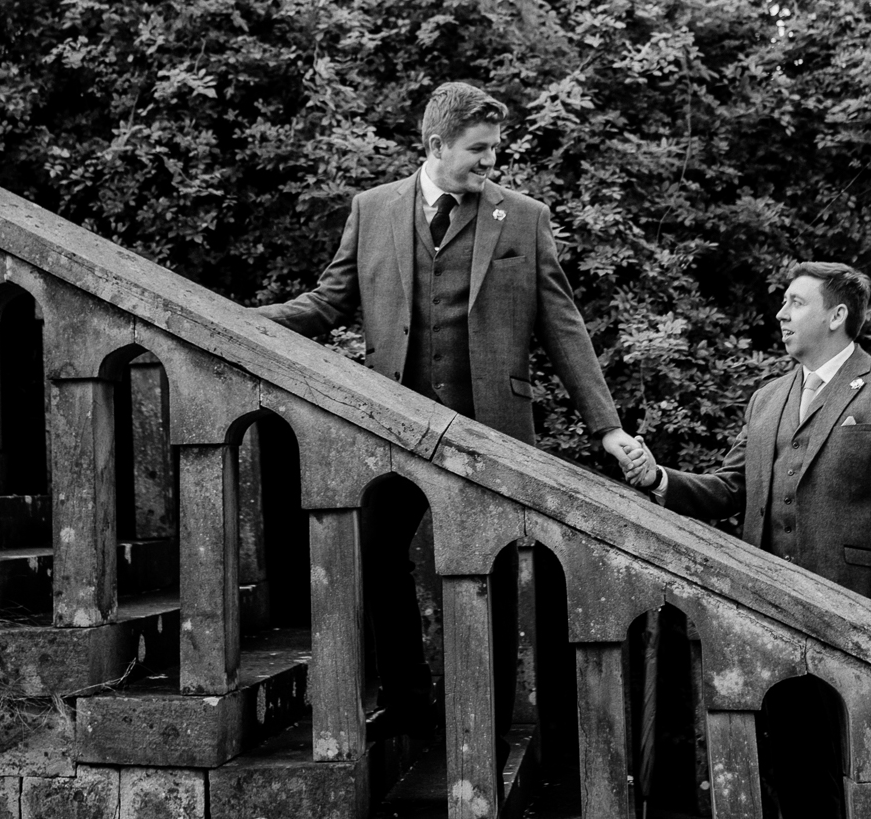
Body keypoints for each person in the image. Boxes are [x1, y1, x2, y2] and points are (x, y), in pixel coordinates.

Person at [257, 81, 641, 722]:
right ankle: (408, 700)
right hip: (394, 425)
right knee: (376, 555)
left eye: (495, 150)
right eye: (479, 150)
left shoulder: (523, 217)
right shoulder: (373, 209)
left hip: (490, 427)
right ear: (436, 144)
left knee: (486, 573)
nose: (492, 162)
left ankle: (484, 716)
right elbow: (326, 303)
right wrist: (236, 319)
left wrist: (606, 429)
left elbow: (563, 328)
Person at [619, 262, 871, 819]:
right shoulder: (767, 399)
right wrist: (658, 479)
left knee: (857, 777)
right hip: (768, 621)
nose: (781, 315)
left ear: (837, 315)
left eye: (795, 303)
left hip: (851, 622)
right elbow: (733, 486)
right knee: (788, 772)